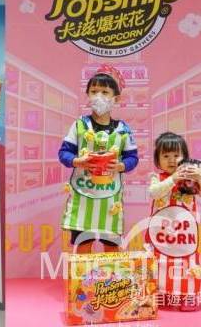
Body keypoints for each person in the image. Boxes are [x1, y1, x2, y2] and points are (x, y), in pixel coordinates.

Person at [58, 64, 138, 254]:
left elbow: (133, 157)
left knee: (111, 245)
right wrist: (77, 161)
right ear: (87, 95)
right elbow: (64, 153)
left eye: (105, 92)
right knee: (83, 243)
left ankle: (111, 274)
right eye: (94, 91)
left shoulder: (123, 129)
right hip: (83, 195)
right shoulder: (79, 125)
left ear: (116, 98)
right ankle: (83, 274)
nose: (99, 96)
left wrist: (121, 165)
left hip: (110, 199)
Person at [147, 132, 201, 311]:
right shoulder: (157, 178)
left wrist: (199, 177)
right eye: (165, 156)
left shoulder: (191, 179)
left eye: (176, 155)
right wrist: (173, 179)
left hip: (185, 237)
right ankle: (161, 295)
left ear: (185, 157)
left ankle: (188, 296)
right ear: (158, 159)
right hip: (161, 235)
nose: (171, 160)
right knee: (159, 265)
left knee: (187, 265)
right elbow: (154, 192)